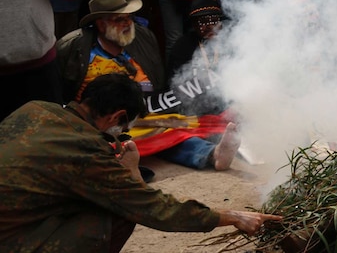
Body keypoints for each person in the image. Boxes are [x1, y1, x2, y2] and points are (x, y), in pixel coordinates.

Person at [0, 73, 280, 252]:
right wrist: (232, 216)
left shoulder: (35, 108)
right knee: (118, 213)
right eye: (123, 129)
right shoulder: (87, 152)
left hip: (20, 214)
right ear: (115, 117)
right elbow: (152, 209)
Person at [56, 0, 242, 172]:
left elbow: (158, 82)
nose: (128, 23)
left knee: (171, 129)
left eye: (129, 18)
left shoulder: (143, 37)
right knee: (114, 140)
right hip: (100, 120)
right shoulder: (74, 47)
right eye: (119, 19)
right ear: (101, 24)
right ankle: (116, 163)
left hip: (143, 112)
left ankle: (212, 154)